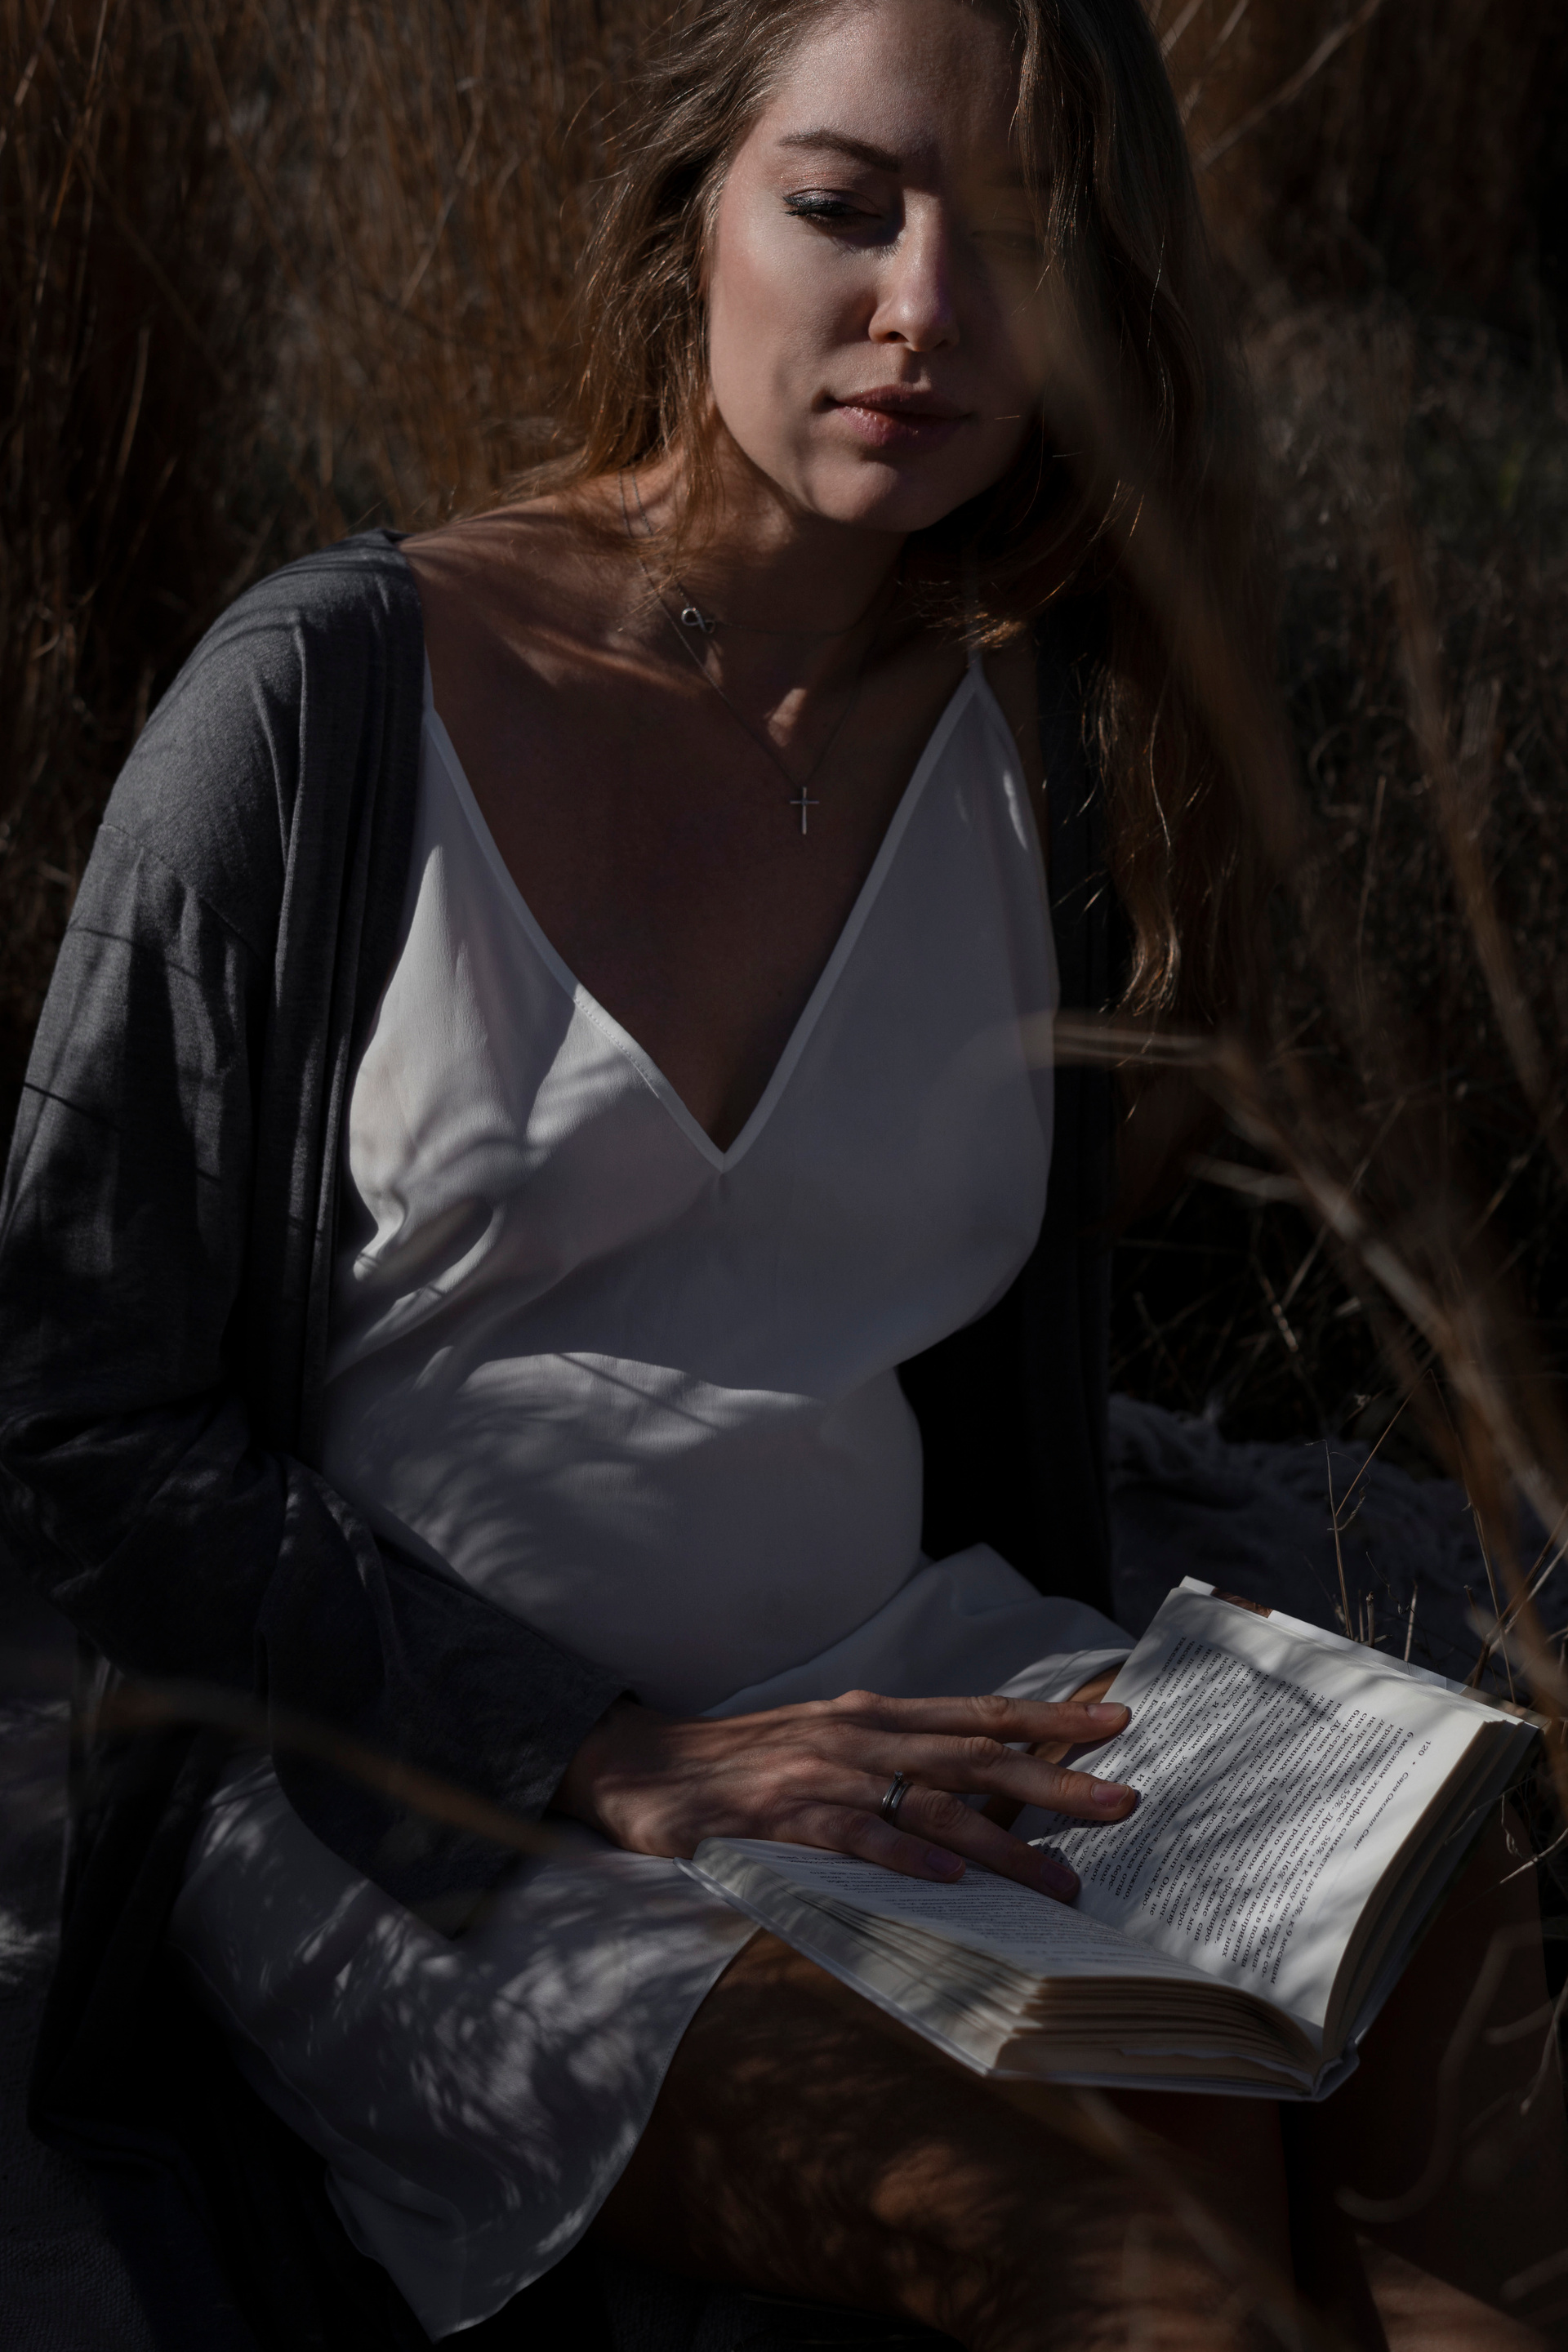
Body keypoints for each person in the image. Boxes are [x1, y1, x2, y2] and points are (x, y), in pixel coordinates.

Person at [2, 0, 1562, 2345]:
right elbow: (73, 1415)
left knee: (1445, 1984)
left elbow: (968, 1369)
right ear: (692, 221)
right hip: (448, 1808)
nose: (927, 309)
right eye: (843, 205)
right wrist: (602, 1748)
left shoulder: (1051, 721)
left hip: (931, 1715)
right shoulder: (330, 704)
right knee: (1153, 2264)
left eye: (1021, 239)